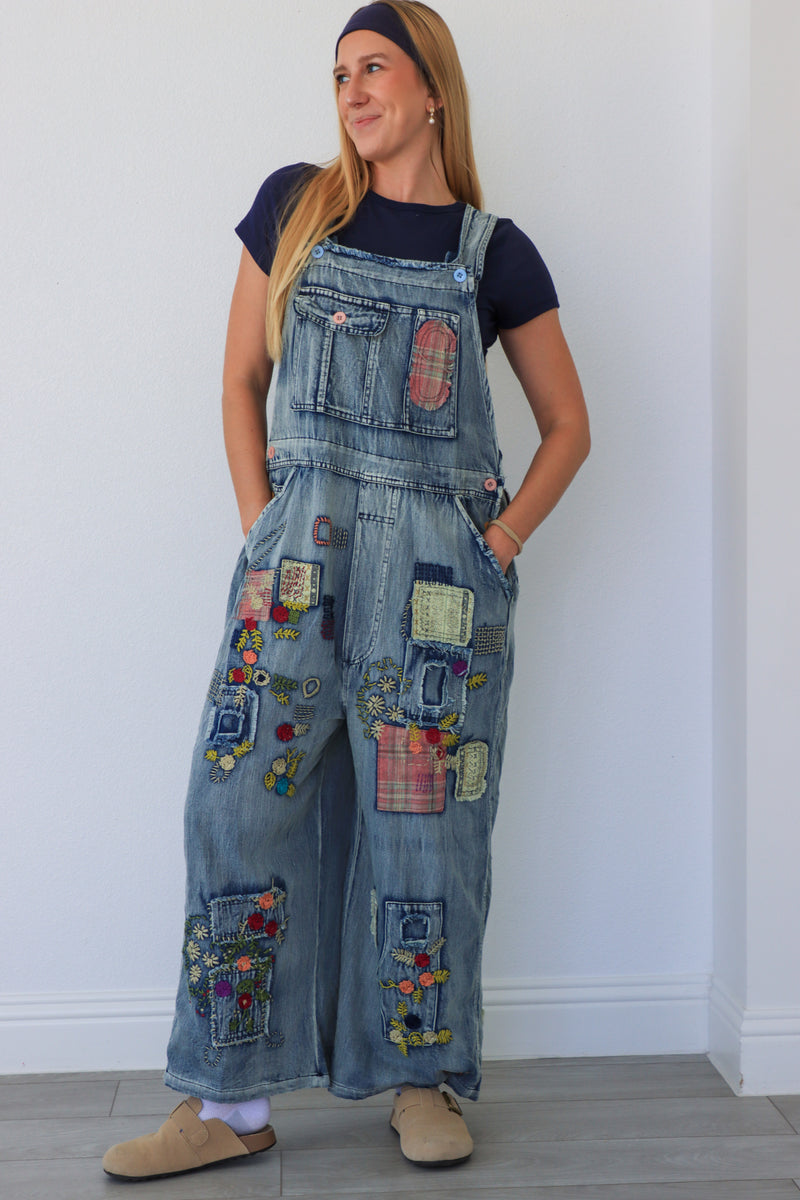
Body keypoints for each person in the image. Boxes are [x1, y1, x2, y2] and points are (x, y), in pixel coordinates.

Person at [103, 0, 589, 1180]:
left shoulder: (493, 252)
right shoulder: (294, 207)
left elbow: (569, 428)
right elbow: (239, 382)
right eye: (337, 75)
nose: (352, 91)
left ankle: (420, 1084)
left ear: (432, 89)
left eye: (374, 67)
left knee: (425, 835)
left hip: (436, 585)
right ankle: (226, 1103)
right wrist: (264, 528)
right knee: (233, 809)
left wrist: (500, 540)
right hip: (295, 568)